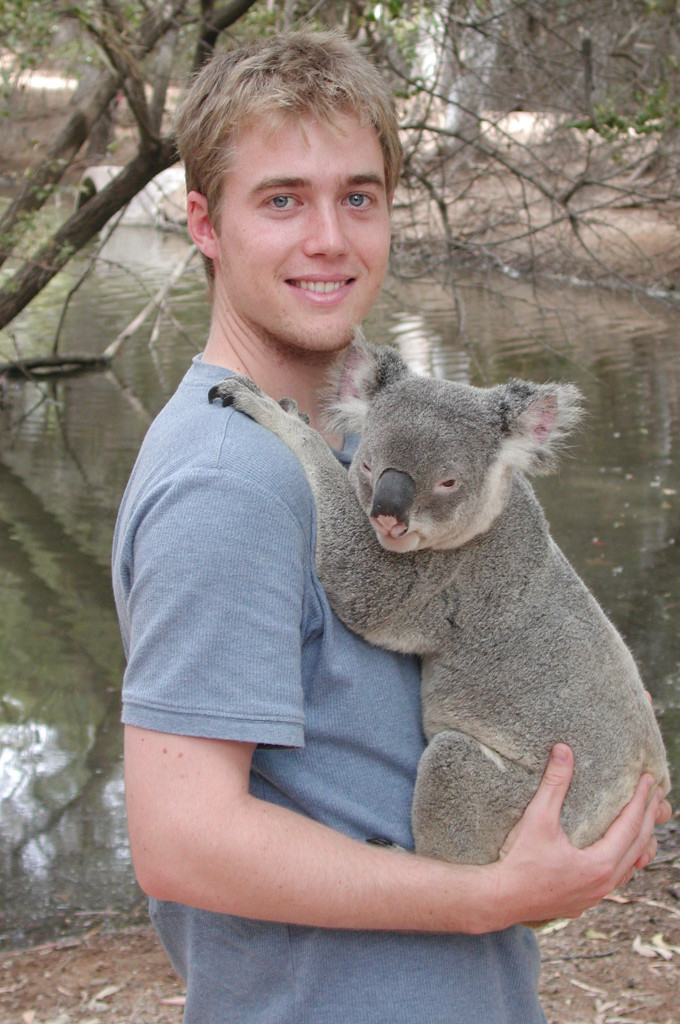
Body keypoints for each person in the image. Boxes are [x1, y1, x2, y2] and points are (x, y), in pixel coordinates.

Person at [112, 29, 670, 1024]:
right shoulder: (231, 479)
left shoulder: (359, 434)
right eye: (281, 199)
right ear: (202, 223)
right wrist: (487, 897)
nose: (329, 237)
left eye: (357, 197)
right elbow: (181, 840)